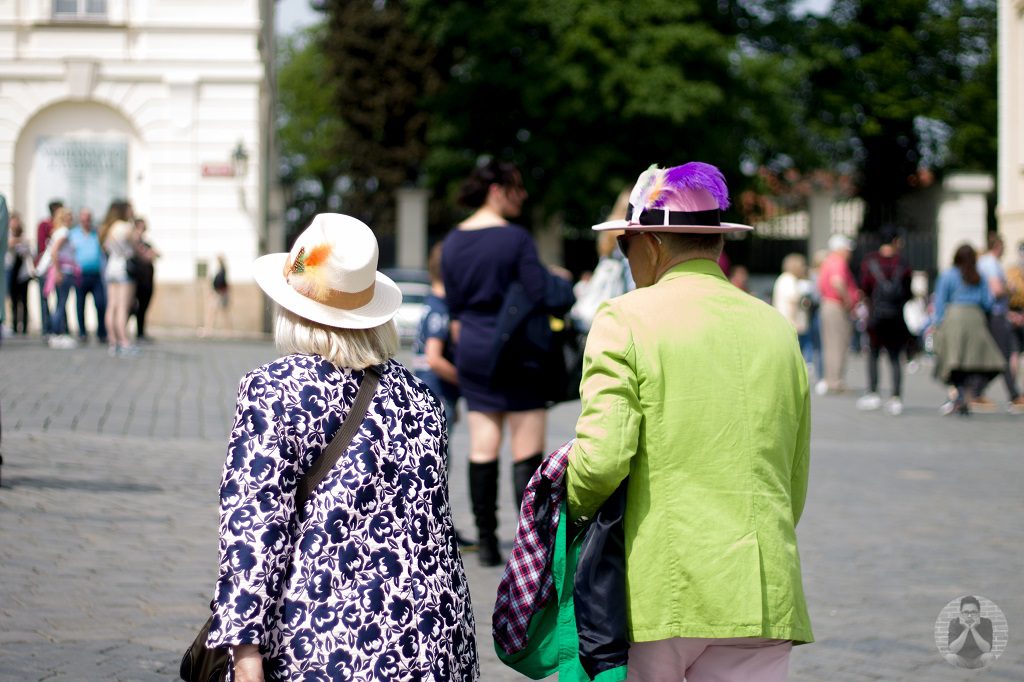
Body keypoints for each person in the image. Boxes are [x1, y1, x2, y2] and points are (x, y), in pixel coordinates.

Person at [207, 213, 479, 682]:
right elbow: (432, 534)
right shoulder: (419, 397)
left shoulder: (274, 391)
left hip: (324, 642)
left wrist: (245, 653)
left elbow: (254, 531)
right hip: (431, 641)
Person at [570, 162, 813, 682]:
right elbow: (792, 480)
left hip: (658, 582)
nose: (624, 255)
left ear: (652, 243)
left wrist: (565, 507)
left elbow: (601, 462)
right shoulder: (776, 327)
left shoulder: (625, 318)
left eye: (624, 243)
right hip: (760, 585)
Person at [441, 159, 573, 567]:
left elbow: (454, 306)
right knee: (526, 448)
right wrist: (559, 279)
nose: (523, 195)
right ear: (497, 190)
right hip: (519, 351)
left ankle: (485, 542)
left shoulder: (453, 241)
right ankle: (529, 543)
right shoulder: (515, 239)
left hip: (474, 349)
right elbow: (543, 294)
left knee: (483, 443)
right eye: (517, 187)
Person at [932, 244, 1005, 415]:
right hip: (976, 319)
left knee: (955, 362)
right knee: (977, 362)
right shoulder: (978, 276)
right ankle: (970, 393)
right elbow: (988, 302)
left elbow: (940, 301)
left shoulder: (949, 275)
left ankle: (960, 395)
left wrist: (937, 323)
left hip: (955, 319)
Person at [856, 227, 912, 416]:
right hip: (896, 316)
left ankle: (873, 392)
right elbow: (908, 292)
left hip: (876, 316)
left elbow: (864, 287)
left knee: (873, 354)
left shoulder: (870, 261)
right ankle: (896, 396)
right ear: (895, 241)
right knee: (896, 357)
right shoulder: (903, 263)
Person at [976, 234, 1024, 411]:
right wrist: (1009, 289)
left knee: (996, 355)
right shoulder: (991, 264)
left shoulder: (983, 262)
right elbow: (996, 291)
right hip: (995, 314)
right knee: (1002, 356)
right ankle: (1013, 395)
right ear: (997, 246)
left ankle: (974, 390)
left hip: (993, 313)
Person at [817, 234, 859, 394]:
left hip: (828, 304)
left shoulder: (828, 261)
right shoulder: (838, 262)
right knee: (838, 344)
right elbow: (838, 282)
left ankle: (831, 379)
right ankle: (836, 381)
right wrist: (848, 299)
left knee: (831, 344)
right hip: (836, 305)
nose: (849, 252)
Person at [38, 206, 78, 349]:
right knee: (61, 304)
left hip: (59, 270)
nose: (72, 218)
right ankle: (56, 333)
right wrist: (58, 271)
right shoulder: (64, 232)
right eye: (69, 215)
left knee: (59, 303)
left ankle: (55, 332)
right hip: (64, 270)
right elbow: (55, 252)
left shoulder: (58, 231)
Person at [100, 200, 136, 356]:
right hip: (123, 267)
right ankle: (124, 341)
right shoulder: (126, 227)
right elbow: (135, 247)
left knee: (111, 306)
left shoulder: (107, 228)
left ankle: (112, 341)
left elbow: (104, 248)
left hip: (111, 267)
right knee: (122, 306)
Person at [68, 207, 107, 343]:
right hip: (80, 275)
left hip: (96, 275)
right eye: (84, 218)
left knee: (100, 303)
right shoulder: (73, 234)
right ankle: (82, 332)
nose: (86, 221)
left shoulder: (97, 233)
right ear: (80, 219)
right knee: (80, 304)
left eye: (88, 218)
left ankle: (102, 332)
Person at [772, 253, 814, 365]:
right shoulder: (789, 280)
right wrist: (794, 322)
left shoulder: (783, 279)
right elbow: (792, 302)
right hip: (791, 323)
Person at [35, 200, 62, 337]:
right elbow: (41, 246)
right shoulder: (44, 225)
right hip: (46, 268)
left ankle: (59, 327)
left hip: (57, 268)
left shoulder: (62, 227)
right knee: (45, 298)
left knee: (61, 298)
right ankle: (47, 327)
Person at [945, 596, 995, 669]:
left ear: (979, 613)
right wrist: (966, 629)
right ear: (961, 613)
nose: (969, 616)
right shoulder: (954, 622)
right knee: (950, 657)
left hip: (979, 659)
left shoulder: (986, 622)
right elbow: (953, 650)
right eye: (966, 612)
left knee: (989, 656)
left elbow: (986, 649)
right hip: (961, 660)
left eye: (973, 612)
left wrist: (973, 629)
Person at [130, 217, 158, 341]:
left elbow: (156, 254)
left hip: (147, 280)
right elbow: (144, 256)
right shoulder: (132, 243)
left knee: (143, 307)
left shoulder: (146, 243)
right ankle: (120, 331)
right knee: (131, 307)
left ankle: (140, 332)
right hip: (136, 280)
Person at [6, 212, 33, 335]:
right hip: (11, 271)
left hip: (23, 273)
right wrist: (19, 241)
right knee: (13, 300)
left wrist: (21, 242)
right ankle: (14, 325)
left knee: (24, 301)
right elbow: (8, 244)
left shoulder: (24, 236)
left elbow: (30, 251)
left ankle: (25, 326)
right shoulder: (7, 234)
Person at [201, 254, 232, 335]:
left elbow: (220, 282)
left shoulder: (223, 270)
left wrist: (215, 291)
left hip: (220, 294)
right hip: (218, 293)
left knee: (218, 312)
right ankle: (209, 328)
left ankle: (224, 330)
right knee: (214, 312)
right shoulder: (221, 270)